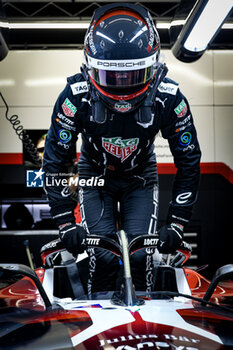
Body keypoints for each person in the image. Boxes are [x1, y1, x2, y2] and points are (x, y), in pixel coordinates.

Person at [43, 3, 201, 294]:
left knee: (141, 256)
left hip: (140, 178)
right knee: (101, 256)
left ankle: (147, 327)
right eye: (112, 77)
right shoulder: (74, 97)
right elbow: (54, 161)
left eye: (132, 76)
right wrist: (65, 223)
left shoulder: (170, 98)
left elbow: (189, 161)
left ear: (153, 67)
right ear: (90, 68)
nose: (123, 86)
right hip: (95, 178)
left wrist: (177, 224)